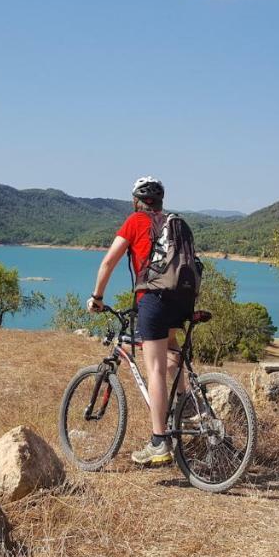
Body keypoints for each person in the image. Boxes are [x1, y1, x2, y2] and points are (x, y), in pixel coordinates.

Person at [87, 176, 193, 466]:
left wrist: (97, 297)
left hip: (154, 298)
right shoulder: (175, 222)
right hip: (180, 298)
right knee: (170, 349)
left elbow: (108, 262)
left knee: (155, 370)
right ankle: (185, 405)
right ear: (160, 200)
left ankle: (159, 441)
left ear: (136, 200)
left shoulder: (135, 221)